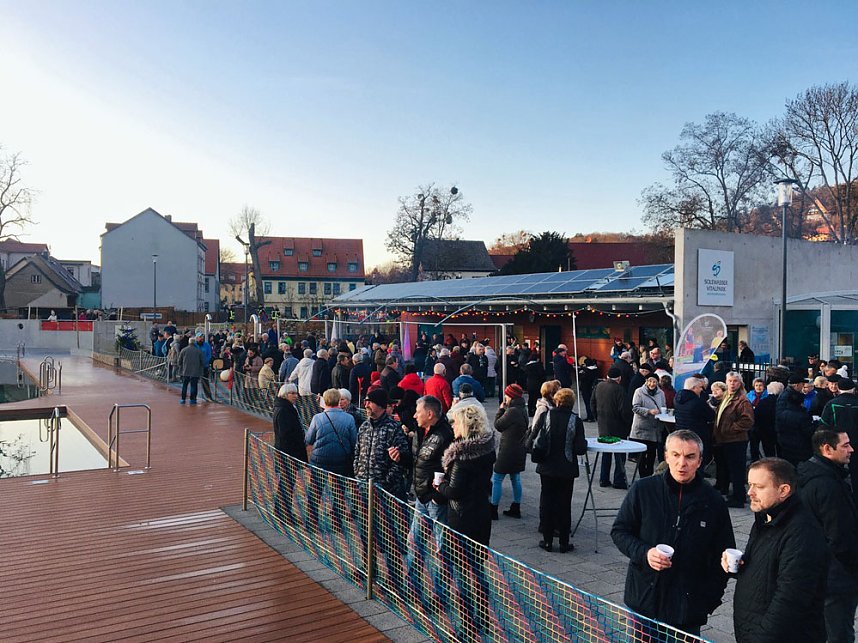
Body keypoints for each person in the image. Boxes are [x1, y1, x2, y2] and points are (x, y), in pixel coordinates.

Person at [612, 430, 735, 637]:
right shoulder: (643, 489)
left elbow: (723, 554)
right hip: (644, 599)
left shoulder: (713, 502)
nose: (682, 463)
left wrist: (709, 599)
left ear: (700, 461)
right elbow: (620, 531)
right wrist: (645, 553)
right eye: (676, 455)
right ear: (666, 456)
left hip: (686, 608)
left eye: (690, 457)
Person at [726, 458, 828, 643]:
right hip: (752, 628)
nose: (750, 492)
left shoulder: (802, 533)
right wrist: (741, 564)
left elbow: (790, 600)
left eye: (759, 487)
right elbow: (767, 566)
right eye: (749, 485)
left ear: (783, 490)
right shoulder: (765, 517)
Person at [797, 428, 858, 643]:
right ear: (827, 449)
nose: (851, 449)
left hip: (818, 572)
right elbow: (841, 537)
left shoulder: (812, 474)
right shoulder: (828, 486)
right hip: (836, 577)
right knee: (839, 632)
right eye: (845, 445)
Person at [531, 387, 587, 552]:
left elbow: (538, 436)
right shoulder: (575, 420)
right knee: (564, 504)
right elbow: (579, 448)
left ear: (557, 400)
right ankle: (563, 542)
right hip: (566, 468)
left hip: (547, 466)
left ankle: (547, 540)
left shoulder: (546, 415)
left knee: (547, 501)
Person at [434, 401, 497, 546]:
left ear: (464, 425)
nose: (452, 426)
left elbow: (454, 491)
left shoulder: (462, 456)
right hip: (482, 510)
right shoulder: (487, 450)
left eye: (455, 423)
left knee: (461, 562)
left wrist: (440, 486)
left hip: (462, 516)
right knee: (477, 560)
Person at [354, 388, 413, 500]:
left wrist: (386, 483)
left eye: (370, 402)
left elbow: (400, 459)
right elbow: (357, 452)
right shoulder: (364, 427)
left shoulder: (394, 428)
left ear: (380, 405)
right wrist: (357, 473)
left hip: (385, 492)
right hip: (363, 487)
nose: (366, 405)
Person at [712, 371, 754, 508]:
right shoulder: (726, 396)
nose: (732, 383)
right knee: (729, 468)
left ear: (740, 383)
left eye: (735, 381)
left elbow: (748, 421)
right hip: (724, 439)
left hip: (736, 440)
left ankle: (739, 498)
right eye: (729, 381)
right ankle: (734, 493)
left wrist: (730, 428)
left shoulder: (742, 399)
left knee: (737, 470)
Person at [412, 395, 455, 525]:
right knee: (413, 543)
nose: (415, 415)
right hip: (421, 496)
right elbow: (416, 459)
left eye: (418, 412)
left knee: (441, 543)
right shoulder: (419, 431)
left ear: (429, 414)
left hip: (435, 499)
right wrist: (399, 457)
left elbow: (451, 468)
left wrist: (438, 497)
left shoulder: (445, 434)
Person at [591, 366, 633, 489]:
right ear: (619, 378)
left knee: (606, 453)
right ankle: (618, 480)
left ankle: (603, 479)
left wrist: (597, 417)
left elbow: (592, 403)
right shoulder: (619, 390)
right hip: (618, 427)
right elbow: (624, 411)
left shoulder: (599, 386)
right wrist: (628, 423)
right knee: (620, 455)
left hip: (603, 426)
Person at [491, 384, 528, 520]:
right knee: (515, 477)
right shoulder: (522, 408)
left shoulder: (512, 411)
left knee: (497, 478)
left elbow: (498, 425)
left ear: (510, 396)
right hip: (519, 448)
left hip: (508, 449)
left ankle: (493, 508)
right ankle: (516, 506)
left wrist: (501, 410)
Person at [821, 376, 858, 506]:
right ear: (853, 389)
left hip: (837, 442)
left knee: (836, 470)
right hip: (856, 442)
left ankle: (840, 497)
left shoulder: (832, 403)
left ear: (839, 389)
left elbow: (824, 423)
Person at [305, 388, 357, 476]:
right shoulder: (349, 418)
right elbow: (354, 441)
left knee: (316, 487)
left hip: (319, 459)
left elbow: (309, 440)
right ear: (338, 400)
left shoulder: (317, 418)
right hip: (341, 459)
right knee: (339, 488)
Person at [630, 373, 667, 478]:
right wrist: (649, 411)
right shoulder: (639, 392)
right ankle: (643, 476)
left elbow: (663, 406)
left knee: (651, 455)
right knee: (641, 455)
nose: (652, 384)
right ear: (646, 381)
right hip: (641, 427)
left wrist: (663, 412)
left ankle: (649, 476)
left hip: (654, 428)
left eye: (654, 381)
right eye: (650, 381)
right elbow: (635, 408)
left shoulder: (661, 393)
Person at [775, 372, 814, 467]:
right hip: (792, 435)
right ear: (797, 385)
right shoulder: (788, 397)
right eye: (802, 384)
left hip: (787, 435)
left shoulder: (788, 394)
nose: (803, 386)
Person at [272, 384, 306, 461]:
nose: (296, 396)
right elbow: (284, 433)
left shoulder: (287, 407)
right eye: (292, 393)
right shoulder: (283, 410)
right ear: (285, 394)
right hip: (289, 451)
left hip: (290, 449)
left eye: (296, 393)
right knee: (289, 471)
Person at [177, 334, 205, 405]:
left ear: (189, 342)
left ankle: (183, 399)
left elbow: (179, 361)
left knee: (184, 385)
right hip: (195, 372)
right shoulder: (198, 351)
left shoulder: (184, 350)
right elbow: (202, 362)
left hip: (185, 371)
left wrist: (181, 367)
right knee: (194, 386)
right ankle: (192, 399)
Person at [523, 351, 546, 416]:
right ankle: (535, 410)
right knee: (537, 398)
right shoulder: (539, 365)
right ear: (537, 359)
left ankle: (530, 411)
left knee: (531, 398)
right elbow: (542, 374)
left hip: (530, 384)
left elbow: (524, 375)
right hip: (538, 384)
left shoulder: (527, 366)